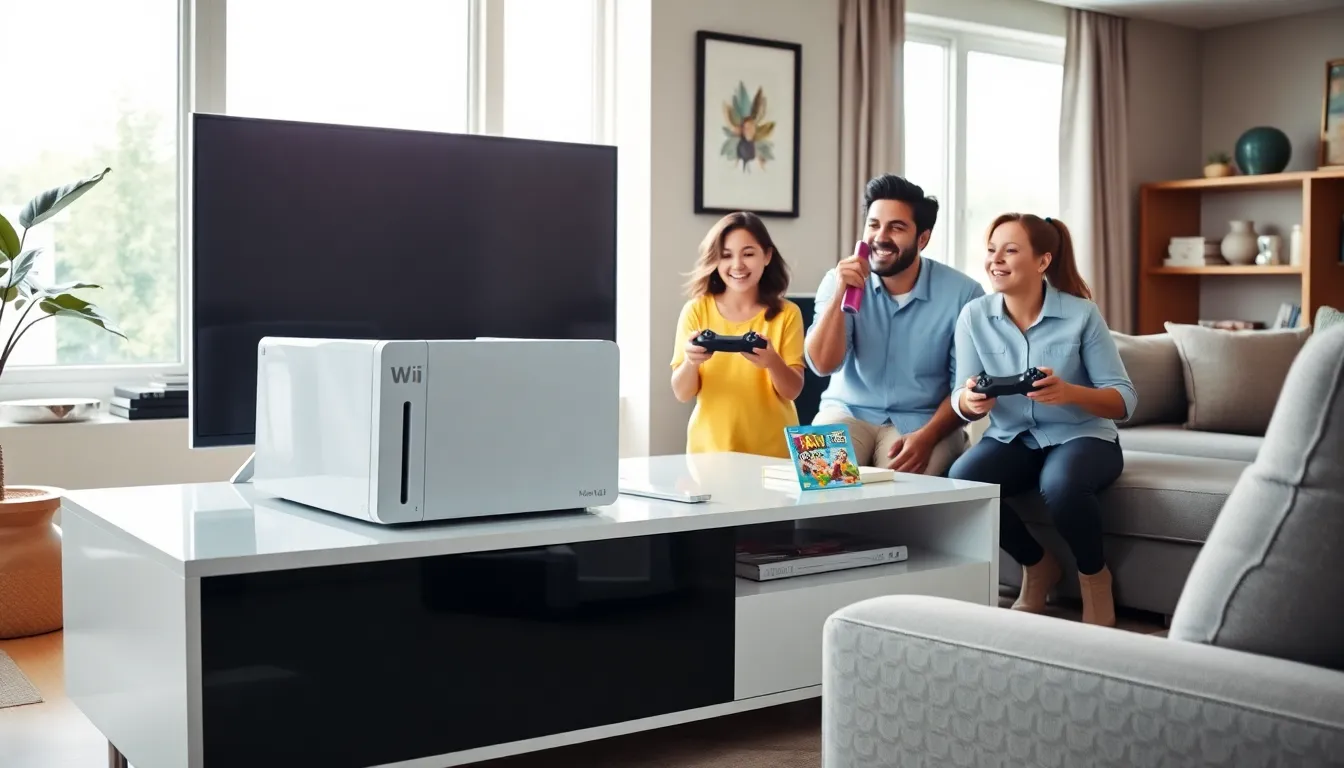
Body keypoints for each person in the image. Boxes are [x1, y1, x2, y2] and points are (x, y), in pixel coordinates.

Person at [948, 213, 1137, 627]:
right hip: (1013, 436)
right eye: (992, 249)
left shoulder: (1082, 315)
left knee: (1061, 484)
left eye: (1010, 250)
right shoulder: (973, 317)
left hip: (1083, 436)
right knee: (962, 482)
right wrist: (970, 400)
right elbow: (959, 397)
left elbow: (1125, 400)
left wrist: (1069, 392)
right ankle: (1038, 565)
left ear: (1043, 261)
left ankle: (1094, 578)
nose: (995, 259)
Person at [805, 174, 985, 475]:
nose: (881, 237)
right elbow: (822, 365)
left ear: (923, 238)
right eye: (874, 225)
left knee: (899, 498)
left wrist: (928, 437)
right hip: (846, 413)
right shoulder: (836, 281)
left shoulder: (965, 294)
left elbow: (963, 390)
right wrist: (840, 294)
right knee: (821, 480)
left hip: (923, 421)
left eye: (896, 227)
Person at [670, 211, 805, 458]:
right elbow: (682, 393)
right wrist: (691, 362)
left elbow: (793, 391)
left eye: (748, 254)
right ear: (715, 261)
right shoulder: (696, 311)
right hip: (709, 452)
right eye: (726, 256)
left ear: (767, 256)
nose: (737, 265)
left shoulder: (787, 314)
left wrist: (772, 362)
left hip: (773, 453)